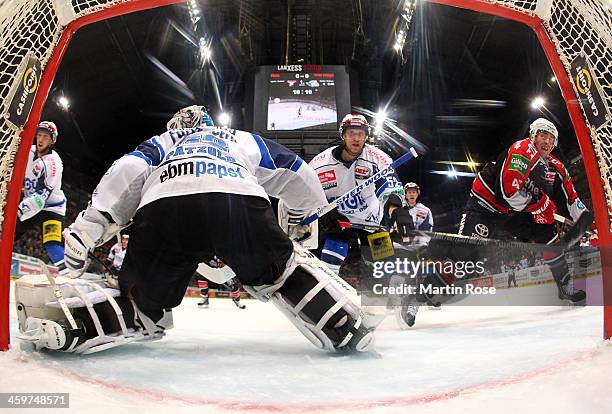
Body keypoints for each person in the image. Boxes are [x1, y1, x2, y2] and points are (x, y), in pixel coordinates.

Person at [15, 105, 376, 354]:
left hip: (165, 209)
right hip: (236, 202)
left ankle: (73, 321)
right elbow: (296, 170)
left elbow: (127, 171)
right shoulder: (238, 137)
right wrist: (299, 217)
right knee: (281, 273)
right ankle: (343, 324)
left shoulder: (165, 141)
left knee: (143, 306)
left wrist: (90, 227)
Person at [443, 117, 591, 303]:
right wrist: (540, 205)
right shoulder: (523, 149)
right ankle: (419, 294)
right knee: (462, 257)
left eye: (551, 138)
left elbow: (572, 198)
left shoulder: (556, 166)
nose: (547, 141)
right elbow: (507, 193)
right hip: (485, 206)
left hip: (513, 211)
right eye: (543, 135)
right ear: (532, 136)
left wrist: (587, 218)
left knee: (549, 236)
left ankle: (564, 286)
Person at [309, 113, 413, 275]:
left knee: (384, 269)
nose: (356, 138)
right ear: (343, 135)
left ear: (366, 136)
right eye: (351, 133)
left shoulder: (379, 158)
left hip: (372, 222)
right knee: (329, 262)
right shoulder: (320, 163)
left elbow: (389, 188)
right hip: (339, 222)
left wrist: (397, 212)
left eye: (361, 134)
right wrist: (322, 213)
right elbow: (307, 192)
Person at [13, 121, 69, 276]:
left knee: (52, 244)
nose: (41, 139)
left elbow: (41, 198)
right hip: (29, 202)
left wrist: (19, 210)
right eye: (39, 135)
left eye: (45, 136)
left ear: (52, 140)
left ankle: (68, 276)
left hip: (51, 208)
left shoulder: (53, 164)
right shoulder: (28, 151)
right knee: (8, 233)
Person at [395, 182, 436, 329]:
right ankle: (401, 300)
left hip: (418, 249)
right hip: (400, 248)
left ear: (417, 194)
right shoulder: (396, 209)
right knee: (406, 278)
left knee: (425, 279)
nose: (411, 194)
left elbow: (428, 231)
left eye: (414, 191)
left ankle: (412, 310)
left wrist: (423, 244)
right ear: (405, 194)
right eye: (409, 192)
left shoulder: (425, 211)